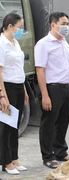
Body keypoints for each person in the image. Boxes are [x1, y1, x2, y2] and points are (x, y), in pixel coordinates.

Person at [35, 12, 69, 169]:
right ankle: (47, 155)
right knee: (49, 123)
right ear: (53, 25)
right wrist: (45, 95)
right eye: (63, 24)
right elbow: (40, 70)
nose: (66, 27)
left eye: (67, 24)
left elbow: (67, 67)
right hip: (53, 88)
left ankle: (60, 150)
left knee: (63, 121)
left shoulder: (64, 43)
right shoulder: (44, 44)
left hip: (66, 86)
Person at [0, 13, 29, 175]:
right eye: (20, 27)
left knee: (15, 125)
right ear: (10, 26)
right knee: (5, 126)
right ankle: (5, 161)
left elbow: (19, 68)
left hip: (18, 86)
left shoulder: (15, 42)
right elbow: (0, 72)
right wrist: (2, 95)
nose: (21, 30)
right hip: (7, 88)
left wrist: (24, 89)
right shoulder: (1, 43)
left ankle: (14, 157)